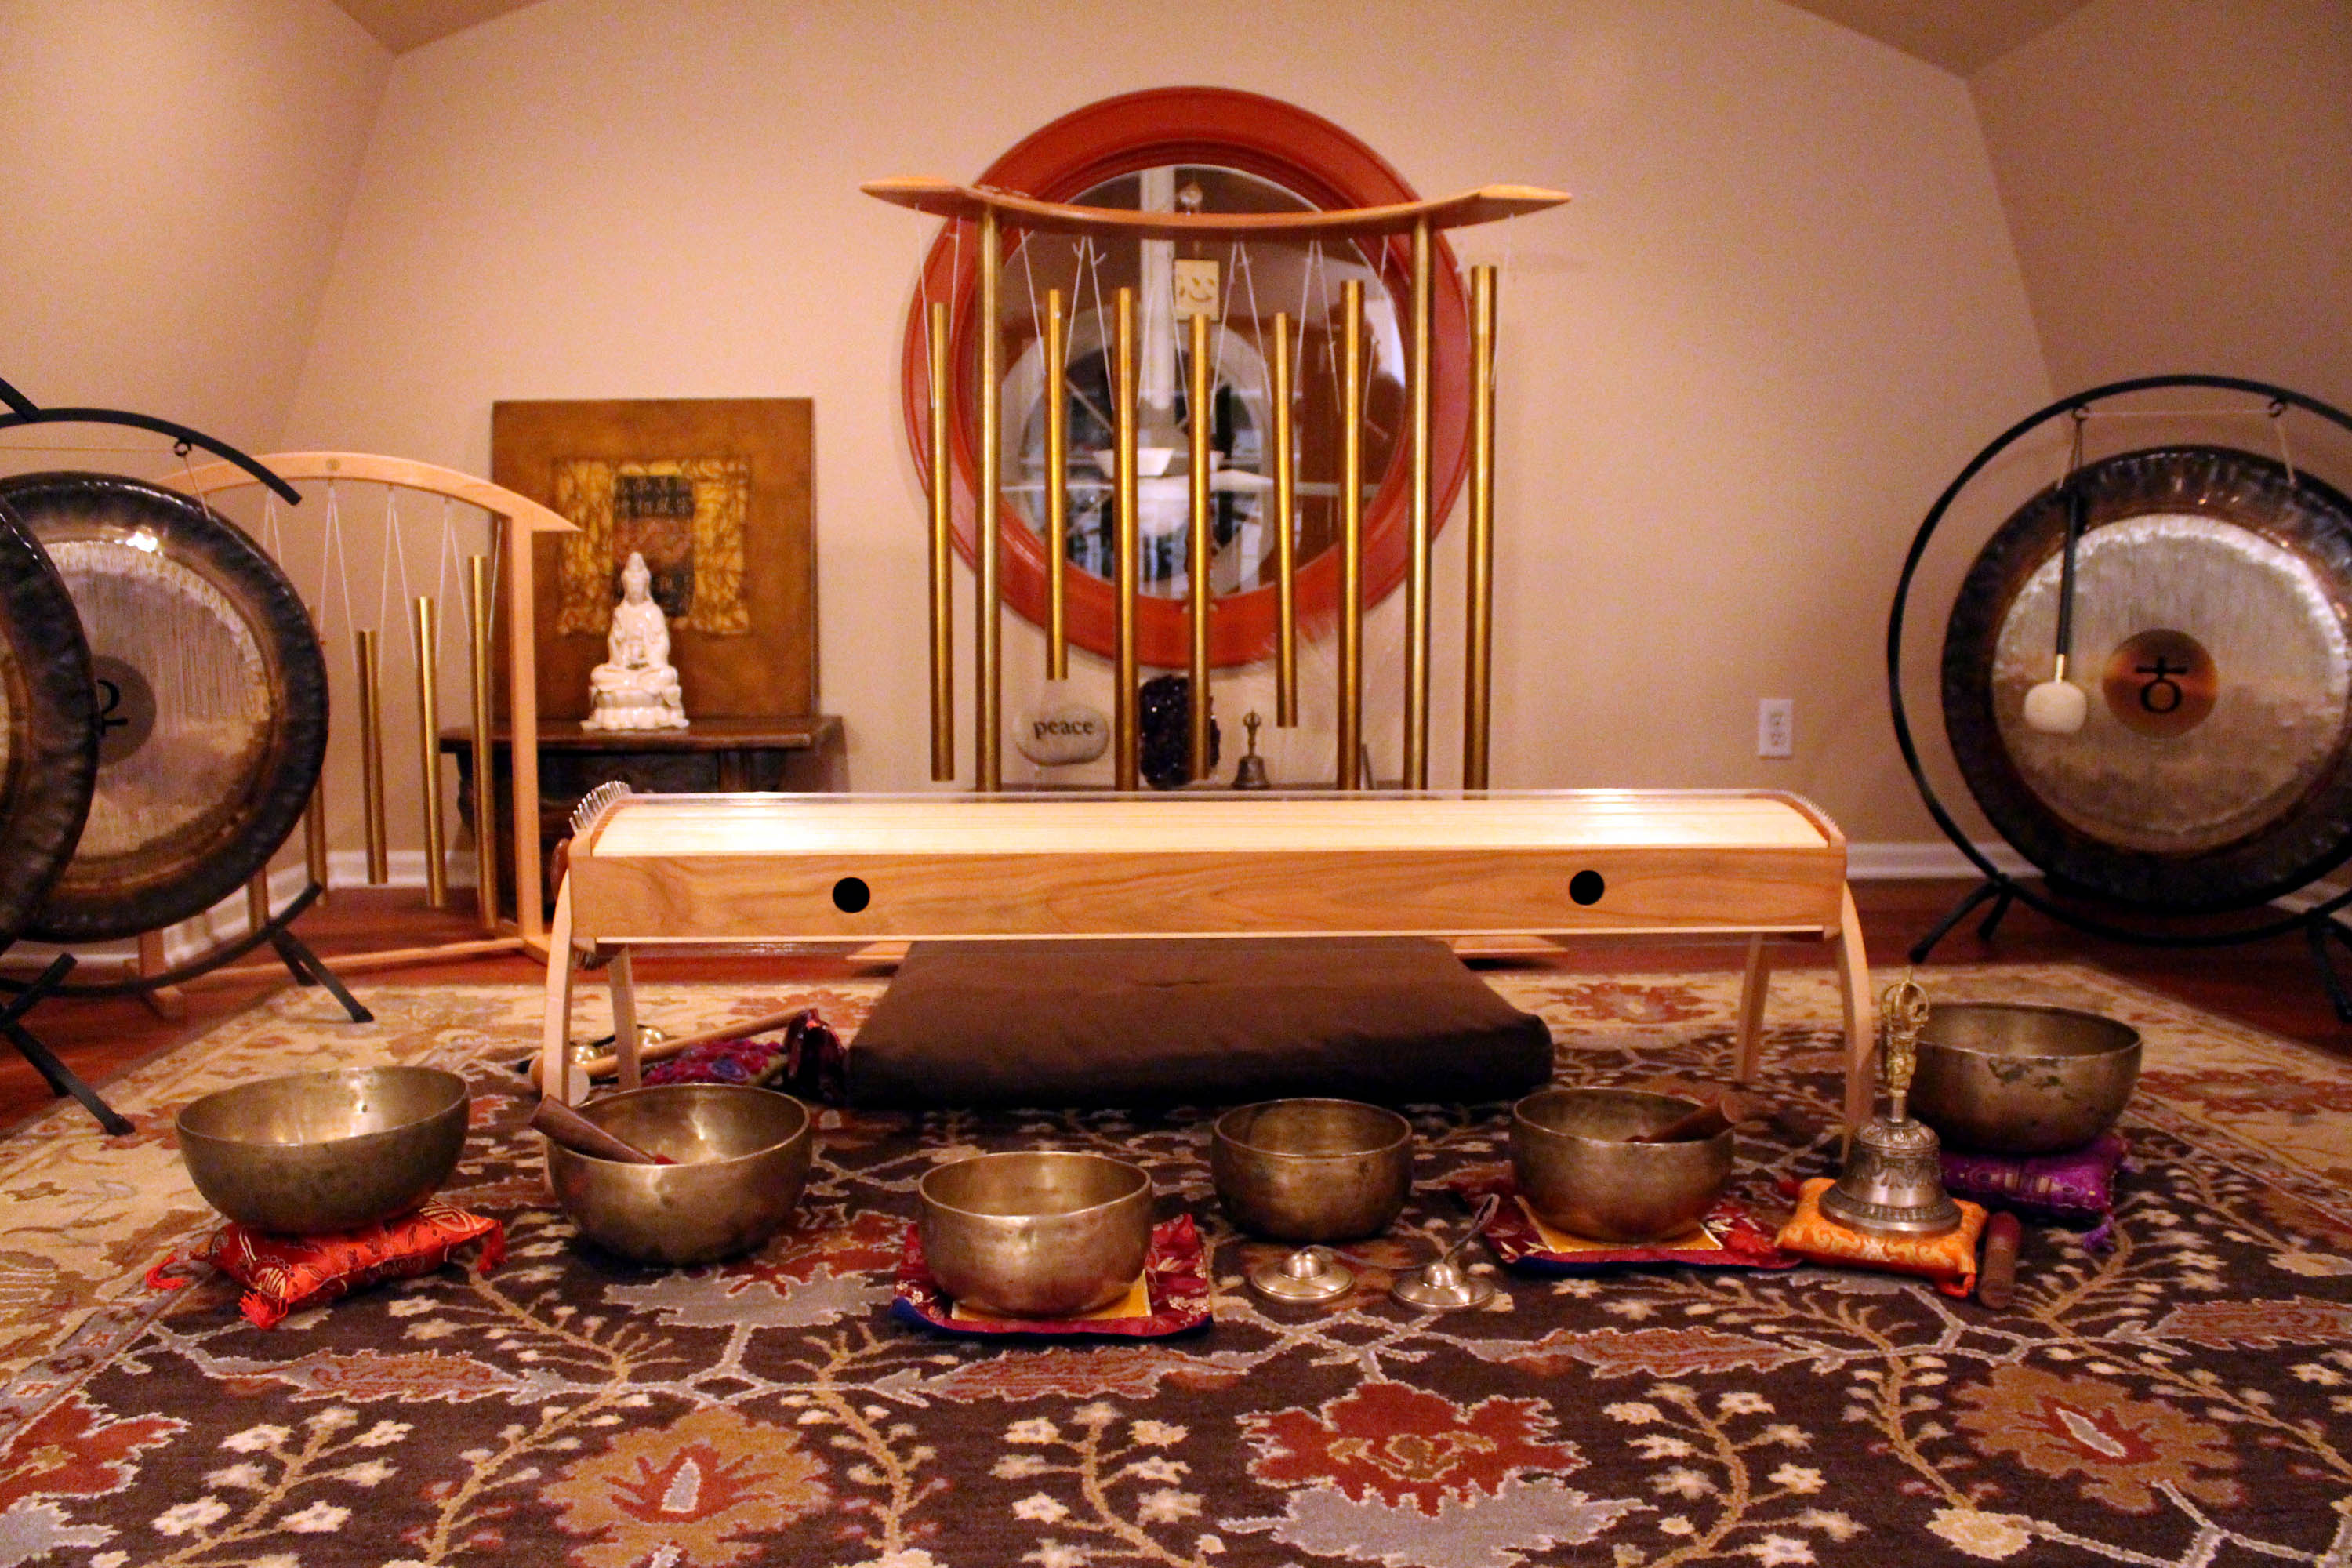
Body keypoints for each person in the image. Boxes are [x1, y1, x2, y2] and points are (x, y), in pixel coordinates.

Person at [583, 551, 688, 730]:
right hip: (624, 673)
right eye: (631, 587)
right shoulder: (620, 613)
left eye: (638, 586)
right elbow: (614, 650)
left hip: (648, 672)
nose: (634, 591)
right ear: (625, 587)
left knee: (666, 676)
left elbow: (662, 644)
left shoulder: (653, 613)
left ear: (645, 586)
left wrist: (648, 654)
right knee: (599, 676)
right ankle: (630, 700)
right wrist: (618, 646)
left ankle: (644, 705)